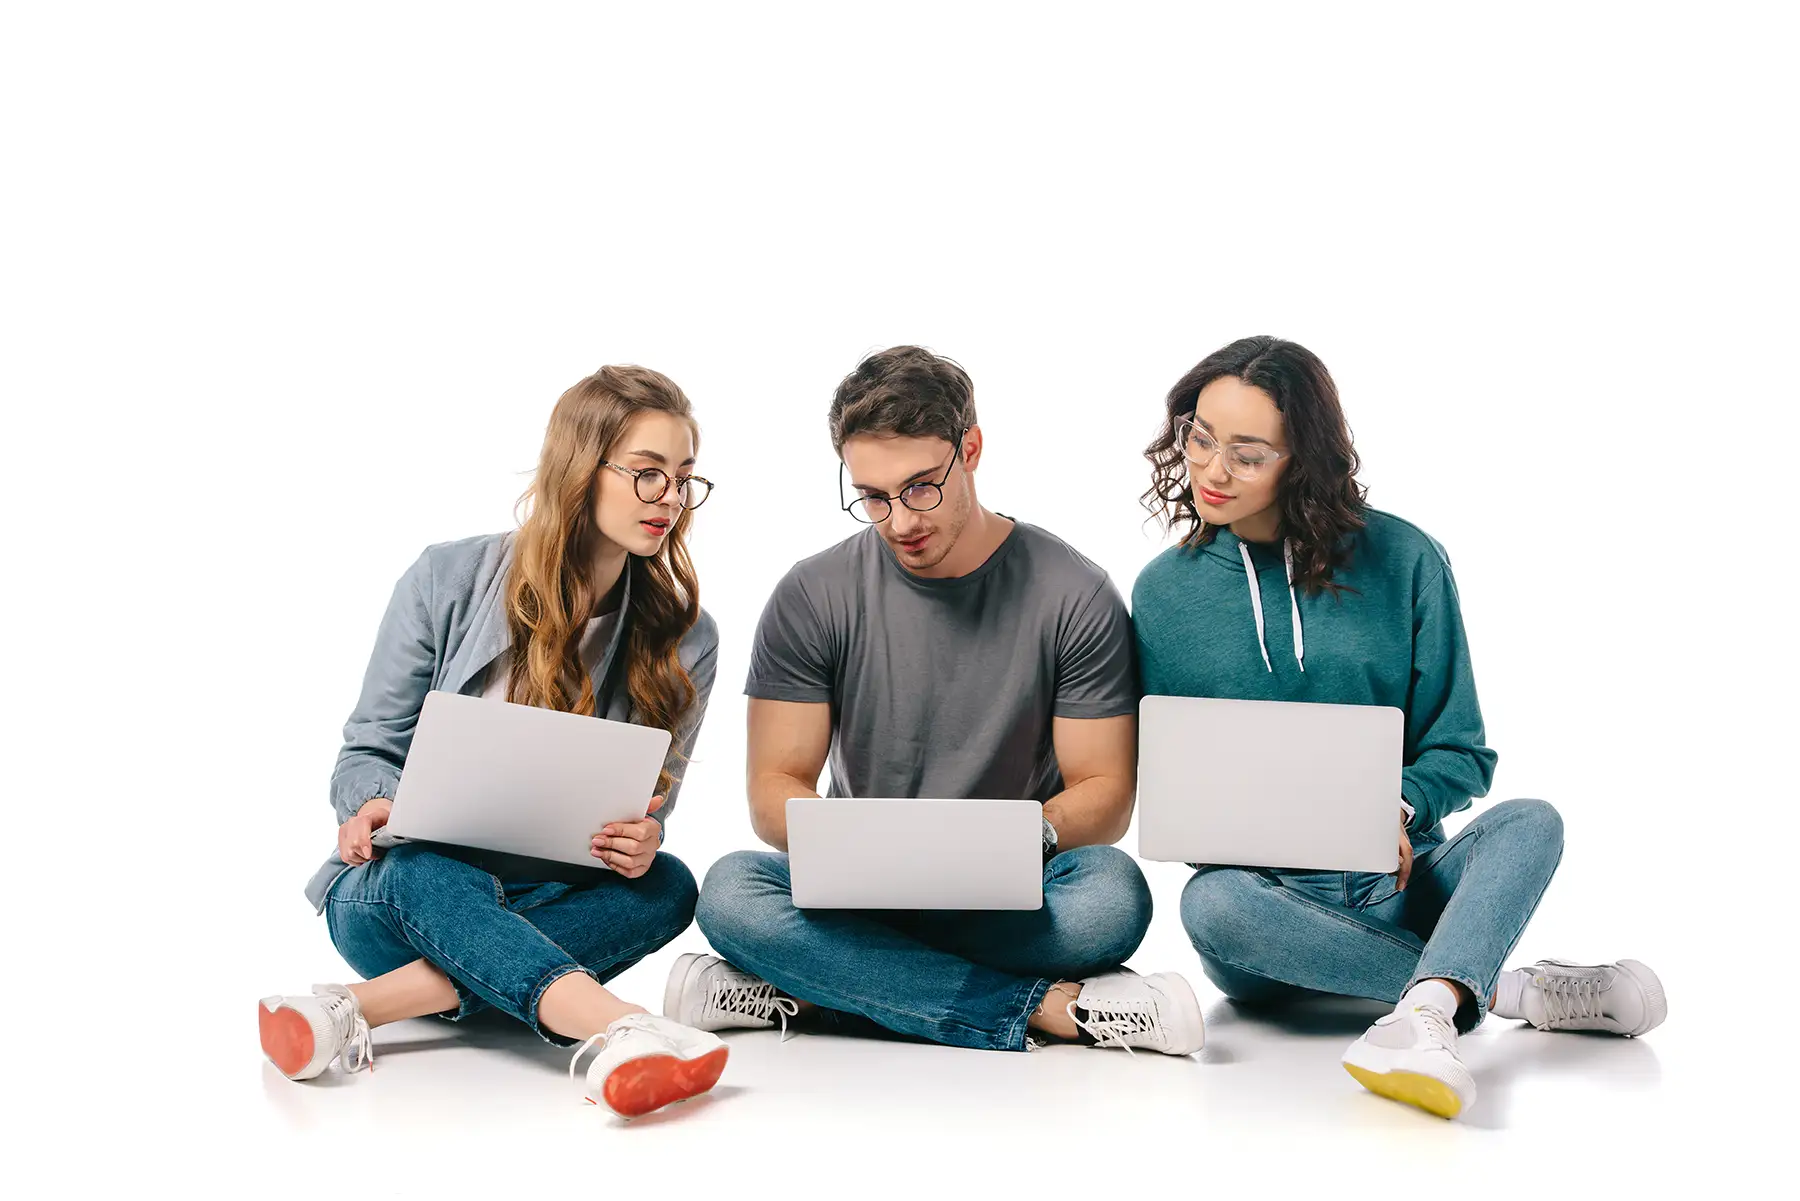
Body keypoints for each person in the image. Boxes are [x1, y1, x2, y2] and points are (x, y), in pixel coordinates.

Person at [1132, 335, 1667, 1119]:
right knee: (1208, 905)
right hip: (1268, 916)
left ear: (1301, 458)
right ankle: (1496, 987)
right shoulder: (1163, 594)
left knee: (1532, 821)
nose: (1211, 470)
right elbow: (1178, 786)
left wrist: (1399, 804)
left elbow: (1463, 749)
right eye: (1200, 438)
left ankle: (1425, 1005)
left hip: (1408, 882)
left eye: (1247, 454)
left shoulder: (1406, 558)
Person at [668, 345, 1204, 1056]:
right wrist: (860, 850)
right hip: (862, 892)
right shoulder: (811, 593)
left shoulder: (1074, 592)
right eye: (873, 497)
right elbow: (773, 792)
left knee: (1112, 896)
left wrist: (1020, 839)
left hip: (1012, 888)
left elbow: (1105, 793)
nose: (898, 519)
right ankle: (1040, 1008)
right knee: (730, 890)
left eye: (921, 487)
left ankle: (813, 991)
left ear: (971, 450)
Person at [258, 365, 730, 1118]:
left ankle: (355, 1008)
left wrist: (642, 838)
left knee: (669, 882)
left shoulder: (686, 638)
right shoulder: (446, 577)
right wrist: (373, 802)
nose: (670, 498)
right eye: (647, 475)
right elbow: (369, 745)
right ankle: (619, 1028)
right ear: (582, 468)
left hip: (550, 891)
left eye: (683, 478)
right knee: (436, 873)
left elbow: (650, 804)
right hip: (401, 892)